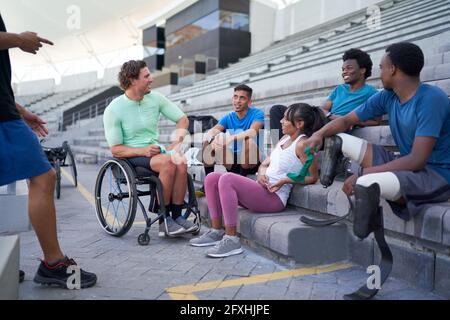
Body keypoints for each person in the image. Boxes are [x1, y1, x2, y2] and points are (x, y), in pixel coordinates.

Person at [304, 42, 450, 240]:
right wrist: (318, 135)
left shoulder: (432, 99)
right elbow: (347, 120)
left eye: (382, 67)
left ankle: (363, 230)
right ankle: (334, 175)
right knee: (338, 136)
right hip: (408, 164)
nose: (379, 73)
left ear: (393, 69)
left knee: (366, 182)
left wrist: (363, 172)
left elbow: (417, 160)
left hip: (436, 175)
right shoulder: (388, 96)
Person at [0, 14, 97, 288]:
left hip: (7, 111)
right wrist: (19, 39)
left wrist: (20, 110)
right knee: (44, 176)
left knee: (43, 177)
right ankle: (53, 264)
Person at [189, 103, 327, 257]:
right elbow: (264, 164)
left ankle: (231, 239)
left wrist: (285, 180)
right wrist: (261, 173)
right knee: (212, 178)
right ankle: (216, 231)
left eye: (285, 119)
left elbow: (313, 177)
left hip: (274, 198)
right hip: (262, 189)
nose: (280, 121)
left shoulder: (303, 145)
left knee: (227, 179)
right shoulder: (283, 140)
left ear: (299, 124)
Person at [103, 60, 195, 237]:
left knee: (181, 161)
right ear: (132, 80)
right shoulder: (114, 109)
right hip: (131, 156)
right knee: (169, 162)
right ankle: (163, 220)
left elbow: (182, 119)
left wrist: (177, 142)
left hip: (156, 152)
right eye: (146, 76)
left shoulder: (156, 98)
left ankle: (177, 216)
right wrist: (142, 151)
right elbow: (115, 149)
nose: (151, 79)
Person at [270, 48, 380, 145]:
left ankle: (283, 149)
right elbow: (323, 108)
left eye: (349, 68)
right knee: (276, 110)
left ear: (362, 70)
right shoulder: (340, 89)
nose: (344, 72)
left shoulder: (371, 93)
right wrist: (331, 115)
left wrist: (353, 121)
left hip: (335, 126)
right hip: (323, 119)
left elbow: (376, 121)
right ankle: (277, 148)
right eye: (343, 69)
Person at [197, 84, 265, 195]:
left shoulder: (257, 114)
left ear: (249, 102)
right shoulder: (229, 117)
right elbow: (213, 130)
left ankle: (241, 184)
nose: (237, 101)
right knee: (207, 143)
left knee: (249, 141)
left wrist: (230, 138)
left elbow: (253, 131)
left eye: (242, 98)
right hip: (233, 162)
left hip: (252, 162)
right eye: (235, 97)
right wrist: (212, 138)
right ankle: (207, 184)